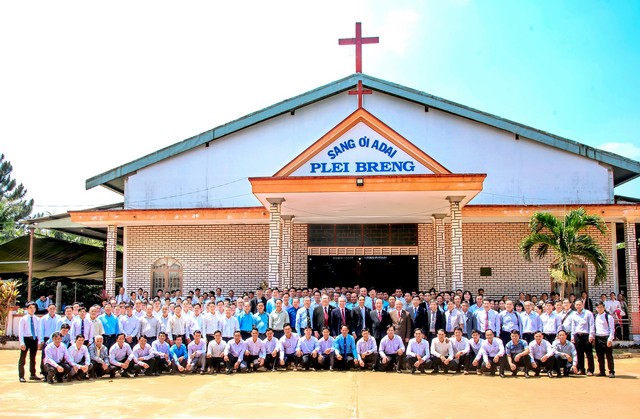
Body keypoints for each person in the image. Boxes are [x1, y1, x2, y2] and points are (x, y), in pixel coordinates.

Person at [569, 299, 595, 375]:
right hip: (577, 335)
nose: (578, 306)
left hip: (586, 335)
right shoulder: (574, 314)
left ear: (583, 305)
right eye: (577, 305)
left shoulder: (588, 313)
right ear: (574, 305)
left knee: (588, 353)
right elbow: (573, 326)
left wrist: (591, 335)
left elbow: (592, 325)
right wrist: (572, 336)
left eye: (580, 304)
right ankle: (581, 369)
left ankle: (590, 370)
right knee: (579, 353)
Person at [18, 302, 40, 383]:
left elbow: (38, 330)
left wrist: (39, 341)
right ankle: (21, 376)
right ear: (27, 309)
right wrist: (22, 343)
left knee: (33, 358)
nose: (32, 309)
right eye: (30, 307)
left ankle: (32, 374)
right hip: (26, 339)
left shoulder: (37, 319)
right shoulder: (23, 319)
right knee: (22, 358)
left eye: (34, 307)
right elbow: (20, 331)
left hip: (34, 339)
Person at [594, 302, 615, 378]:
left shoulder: (608, 317)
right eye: (598, 307)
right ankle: (602, 371)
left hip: (606, 337)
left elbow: (612, 329)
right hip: (598, 337)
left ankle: (611, 371)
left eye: (601, 307)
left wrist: (610, 339)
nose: (599, 309)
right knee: (600, 356)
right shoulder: (595, 316)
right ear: (596, 308)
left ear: (604, 307)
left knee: (609, 355)